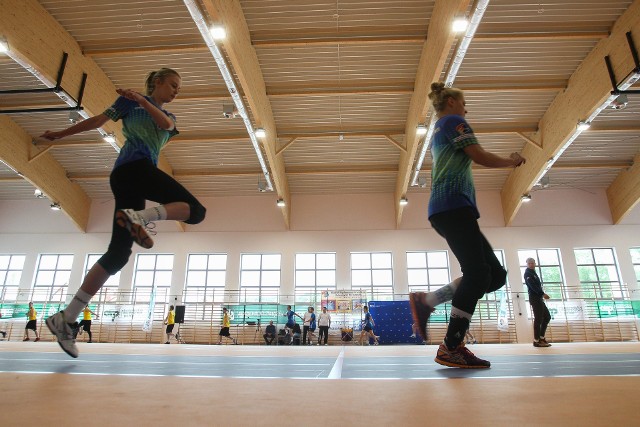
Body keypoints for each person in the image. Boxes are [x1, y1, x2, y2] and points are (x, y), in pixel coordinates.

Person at [41, 68, 206, 358]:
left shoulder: (163, 114)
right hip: (133, 169)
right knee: (196, 211)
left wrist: (143, 101)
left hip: (130, 178)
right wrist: (60, 134)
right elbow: (97, 121)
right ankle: (139, 219)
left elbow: (165, 124)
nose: (176, 91)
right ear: (157, 82)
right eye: (173, 85)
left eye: (178, 88)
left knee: (118, 254)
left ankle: (65, 318)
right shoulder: (128, 104)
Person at [409, 82, 526, 369]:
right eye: (463, 103)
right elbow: (480, 155)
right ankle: (451, 346)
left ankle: (429, 301)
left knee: (494, 275)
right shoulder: (453, 121)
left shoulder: (442, 127)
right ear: (450, 102)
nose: (466, 108)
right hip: (452, 207)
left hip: (450, 209)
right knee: (476, 273)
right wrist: (511, 161)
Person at [524, 257, 552, 347]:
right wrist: (542, 294)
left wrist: (541, 295)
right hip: (534, 298)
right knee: (538, 319)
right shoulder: (527, 273)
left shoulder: (533, 272)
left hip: (539, 298)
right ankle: (536, 340)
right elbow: (532, 286)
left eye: (532, 263)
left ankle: (541, 337)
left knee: (547, 317)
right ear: (527, 264)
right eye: (529, 263)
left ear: (535, 263)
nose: (531, 264)